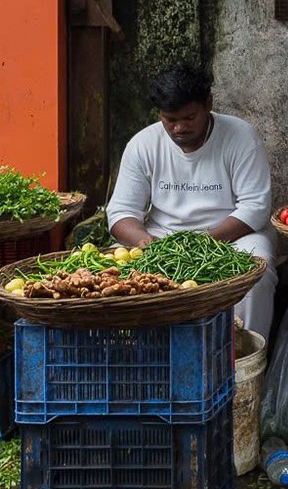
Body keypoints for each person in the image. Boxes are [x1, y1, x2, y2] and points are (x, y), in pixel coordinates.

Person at [106, 65, 277, 337]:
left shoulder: (240, 136)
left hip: (233, 235)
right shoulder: (143, 144)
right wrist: (143, 241)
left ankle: (244, 359)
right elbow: (121, 212)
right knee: (110, 275)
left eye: (189, 117)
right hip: (162, 238)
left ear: (208, 103)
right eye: (170, 119)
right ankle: (141, 357)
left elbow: (255, 207)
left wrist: (202, 243)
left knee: (258, 273)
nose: (179, 127)